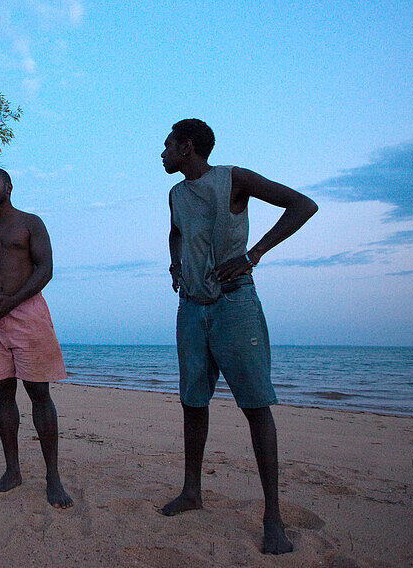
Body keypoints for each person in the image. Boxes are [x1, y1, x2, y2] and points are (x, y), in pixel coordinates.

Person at [158, 119, 317, 555]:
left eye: (168, 144)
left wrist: (254, 254)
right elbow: (176, 233)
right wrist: (175, 264)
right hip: (191, 308)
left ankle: (274, 519)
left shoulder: (234, 179)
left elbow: (303, 205)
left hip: (235, 305)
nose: (163, 152)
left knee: (255, 405)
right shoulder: (175, 194)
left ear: (187, 147)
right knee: (193, 401)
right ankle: (192, 492)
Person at [0, 167, 73, 509]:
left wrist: (14, 301)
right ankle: (13, 471)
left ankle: (53, 477)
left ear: (8, 186)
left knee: (39, 392)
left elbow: (45, 269)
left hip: (27, 312)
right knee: (2, 395)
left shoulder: (30, 223)